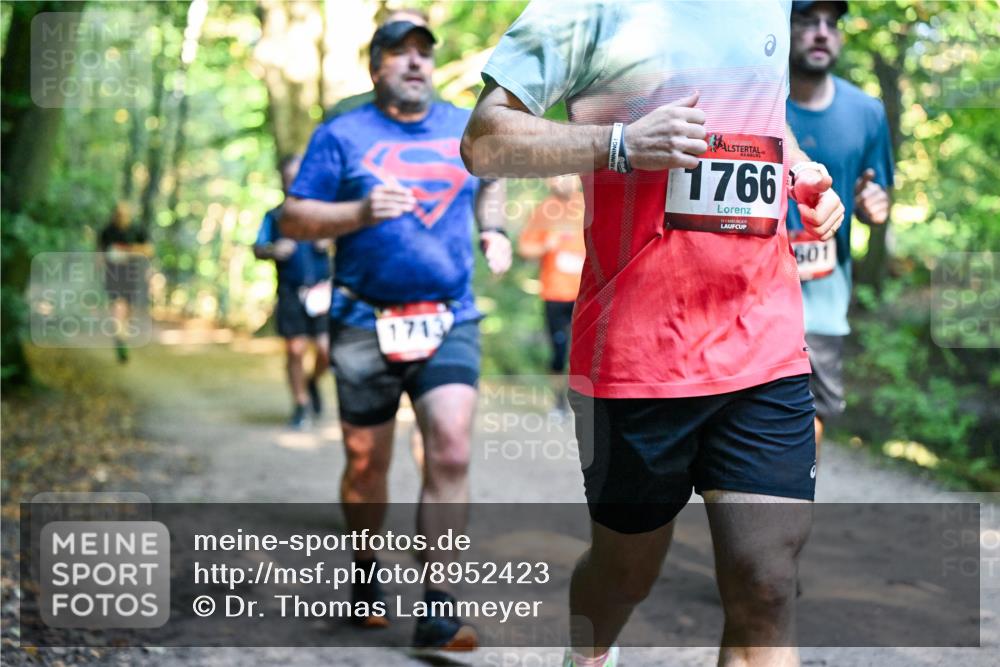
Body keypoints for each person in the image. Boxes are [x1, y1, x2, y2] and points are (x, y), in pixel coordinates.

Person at [462, 2, 844, 666]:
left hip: (764, 342)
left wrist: (799, 171)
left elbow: (760, 111)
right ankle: (586, 653)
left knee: (767, 580)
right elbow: (484, 140)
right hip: (637, 356)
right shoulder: (583, 11)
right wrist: (619, 144)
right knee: (622, 574)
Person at [280, 18, 512, 652]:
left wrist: (494, 231)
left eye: (423, 53)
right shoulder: (341, 135)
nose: (414, 62)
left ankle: (437, 606)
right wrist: (357, 213)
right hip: (362, 320)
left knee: (452, 447)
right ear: (375, 66)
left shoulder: (465, 126)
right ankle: (364, 577)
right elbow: (294, 217)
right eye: (399, 52)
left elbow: (490, 184)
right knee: (365, 465)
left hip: (449, 315)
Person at [786, 0, 894, 454]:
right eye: (808, 21)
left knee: (809, 414)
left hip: (825, 290)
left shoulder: (867, 111)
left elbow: (878, 195)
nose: (821, 33)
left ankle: (791, 506)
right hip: (748, 282)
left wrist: (875, 204)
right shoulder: (754, 101)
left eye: (832, 23)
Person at [253, 155, 332, 429]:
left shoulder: (324, 211)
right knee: (295, 349)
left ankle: (311, 383)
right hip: (289, 290)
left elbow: (347, 239)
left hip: (321, 291)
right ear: (283, 182)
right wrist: (274, 250)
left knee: (326, 350)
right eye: (289, 178)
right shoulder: (274, 217)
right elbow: (258, 247)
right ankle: (300, 404)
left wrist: (329, 241)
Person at [518, 174, 586, 417]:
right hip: (555, 292)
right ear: (549, 182)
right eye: (558, 178)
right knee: (559, 350)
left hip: (588, 292)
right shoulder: (543, 210)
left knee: (591, 350)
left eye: (569, 177)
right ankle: (559, 402)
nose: (563, 182)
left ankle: (590, 401)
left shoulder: (590, 204)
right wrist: (546, 245)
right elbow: (524, 248)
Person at [98, 202, 153, 364]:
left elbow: (149, 250)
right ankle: (120, 339)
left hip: (134, 276)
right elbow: (99, 255)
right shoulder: (107, 232)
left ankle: (122, 335)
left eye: (124, 214)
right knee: (117, 307)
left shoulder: (137, 230)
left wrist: (127, 251)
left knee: (127, 310)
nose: (121, 217)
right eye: (118, 214)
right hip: (113, 276)